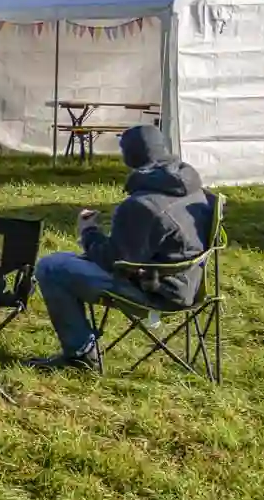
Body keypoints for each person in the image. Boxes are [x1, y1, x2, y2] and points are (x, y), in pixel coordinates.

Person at [29, 124, 212, 373]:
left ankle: (79, 354)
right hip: (191, 283)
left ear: (131, 156)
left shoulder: (142, 204)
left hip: (157, 291)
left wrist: (88, 232)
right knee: (69, 262)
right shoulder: (192, 186)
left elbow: (114, 261)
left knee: (51, 267)